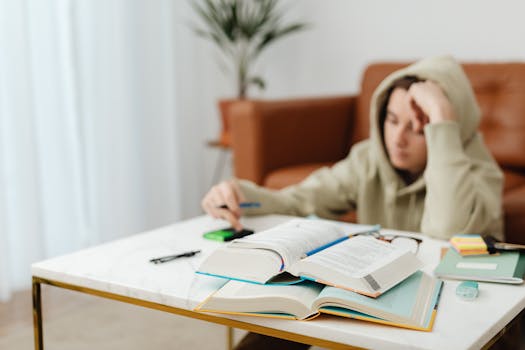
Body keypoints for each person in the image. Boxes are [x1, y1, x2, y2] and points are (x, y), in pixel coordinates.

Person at [201, 56, 504, 349]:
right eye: (392, 119)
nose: (398, 138)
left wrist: (440, 113)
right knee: (283, 314)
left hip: (449, 314)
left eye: (418, 127)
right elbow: (299, 199)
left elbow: (447, 231)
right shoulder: (369, 159)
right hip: (374, 295)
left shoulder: (480, 173)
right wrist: (239, 194)